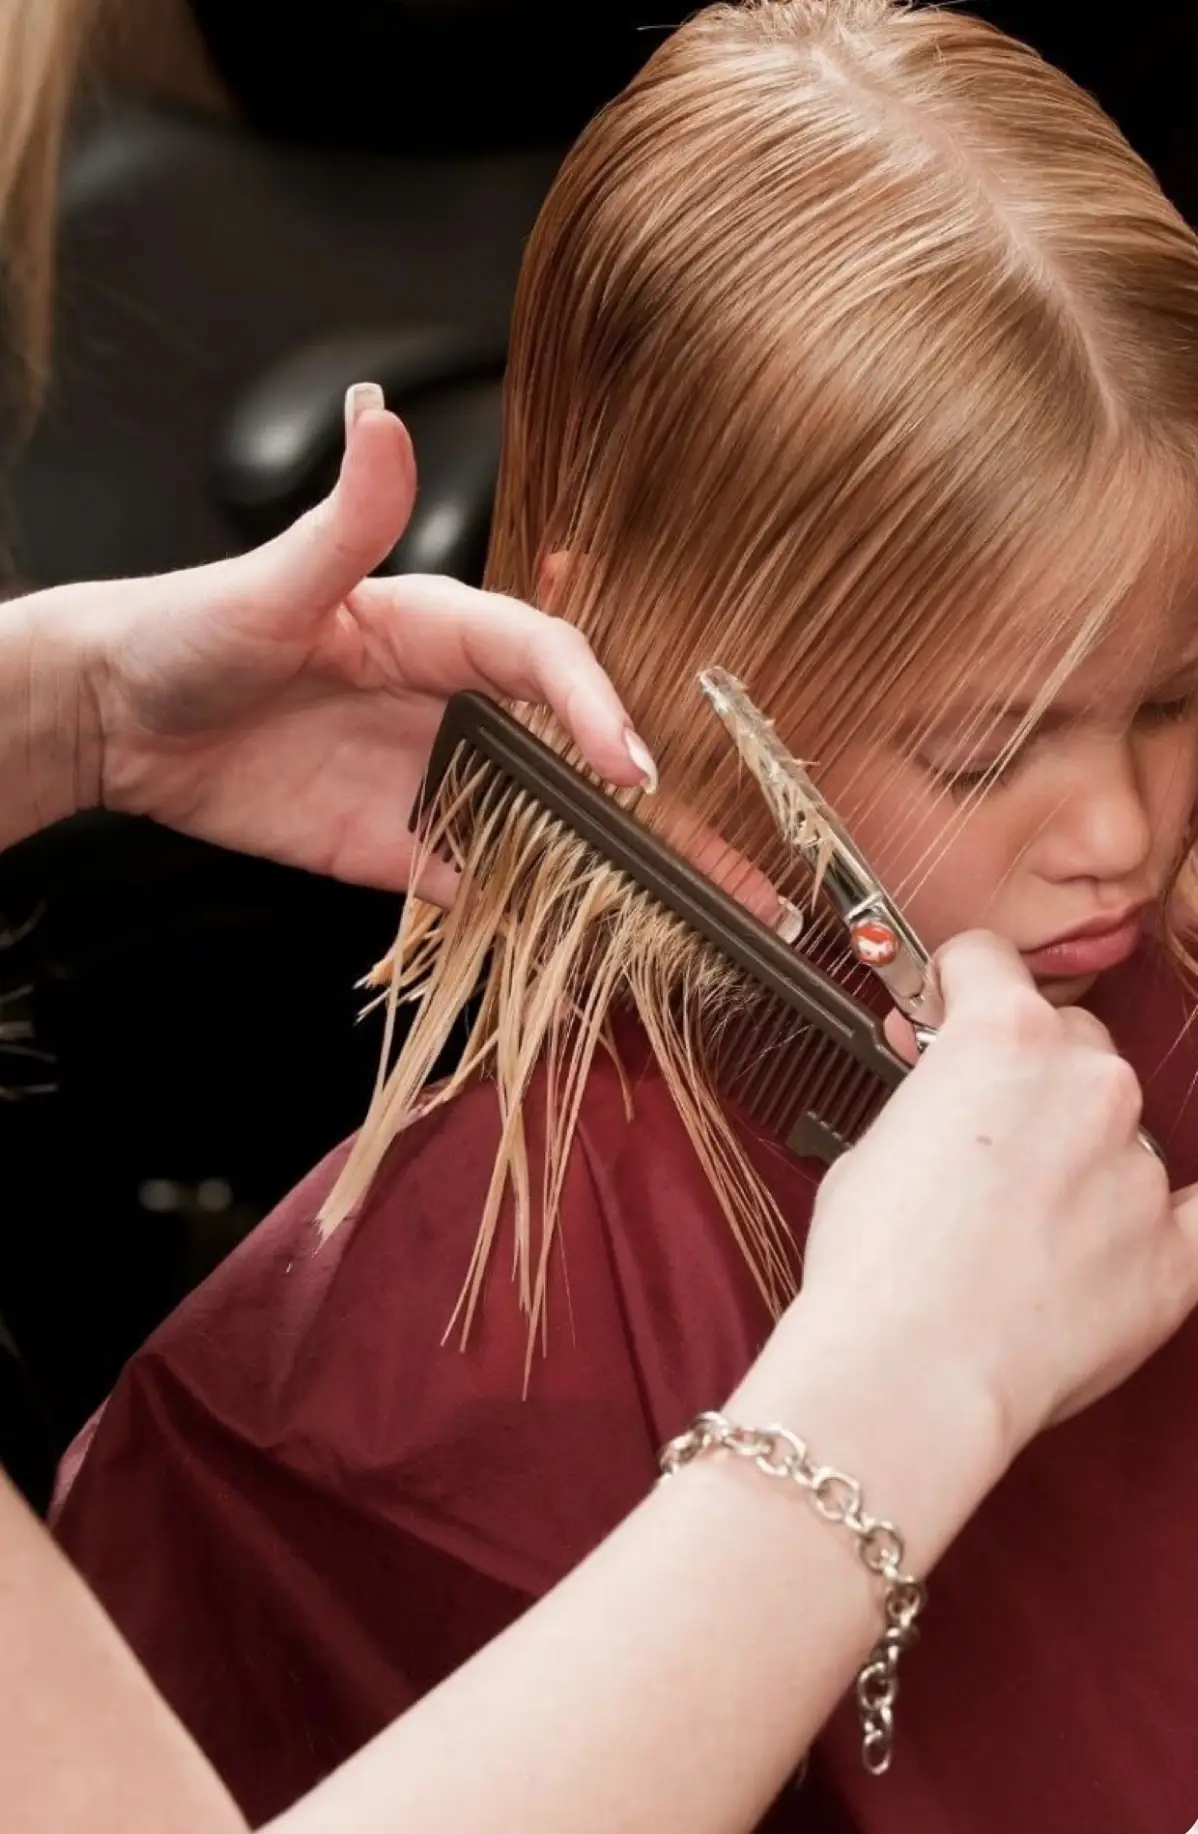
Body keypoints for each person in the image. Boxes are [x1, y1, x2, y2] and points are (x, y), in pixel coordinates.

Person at [49, 3, 1198, 1829]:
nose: (1120, 831)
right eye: (983, 748)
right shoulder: (388, 1399)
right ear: (648, 663)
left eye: (1172, 700)